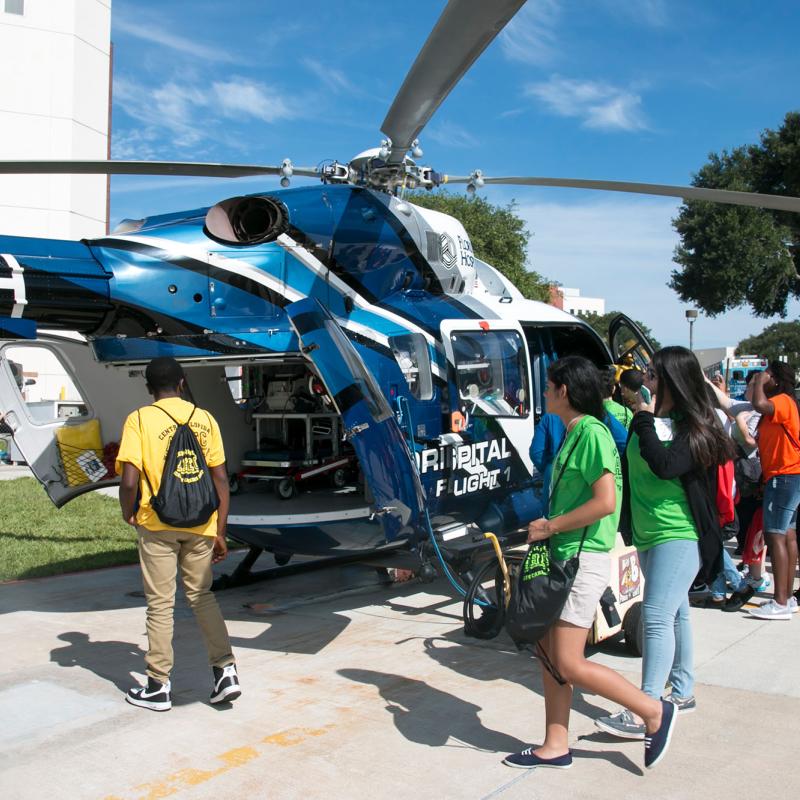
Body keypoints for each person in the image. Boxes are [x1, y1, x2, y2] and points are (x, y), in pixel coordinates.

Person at [504, 356, 677, 773]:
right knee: (548, 655)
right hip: (563, 556)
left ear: (564, 391)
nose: (543, 393)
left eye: (547, 386)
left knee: (568, 661)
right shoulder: (573, 432)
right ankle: (554, 744)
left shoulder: (592, 434)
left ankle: (652, 712)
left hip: (581, 559)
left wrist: (550, 526)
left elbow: (605, 502)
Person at [595, 346, 734, 739]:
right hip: (648, 532)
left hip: (680, 533)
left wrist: (641, 417)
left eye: (653, 375)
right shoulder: (653, 420)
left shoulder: (694, 426)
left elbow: (665, 464)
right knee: (675, 614)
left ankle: (647, 708)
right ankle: (683, 691)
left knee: (655, 616)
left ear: (672, 380)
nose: (646, 381)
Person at [116, 357, 240, 711]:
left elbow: (128, 481)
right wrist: (220, 531)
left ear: (149, 388)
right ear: (183, 383)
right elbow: (221, 480)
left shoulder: (139, 419)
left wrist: (129, 512)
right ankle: (225, 671)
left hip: (157, 524)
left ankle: (158, 685)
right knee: (202, 596)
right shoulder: (204, 419)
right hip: (201, 524)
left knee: (160, 603)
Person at [748, 362, 800, 619]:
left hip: (785, 476)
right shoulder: (783, 402)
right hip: (784, 476)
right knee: (788, 535)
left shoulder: (782, 401)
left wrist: (759, 381)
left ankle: (779, 603)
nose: (762, 376)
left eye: (768, 373)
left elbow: (759, 404)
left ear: (777, 380)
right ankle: (787, 598)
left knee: (775, 536)